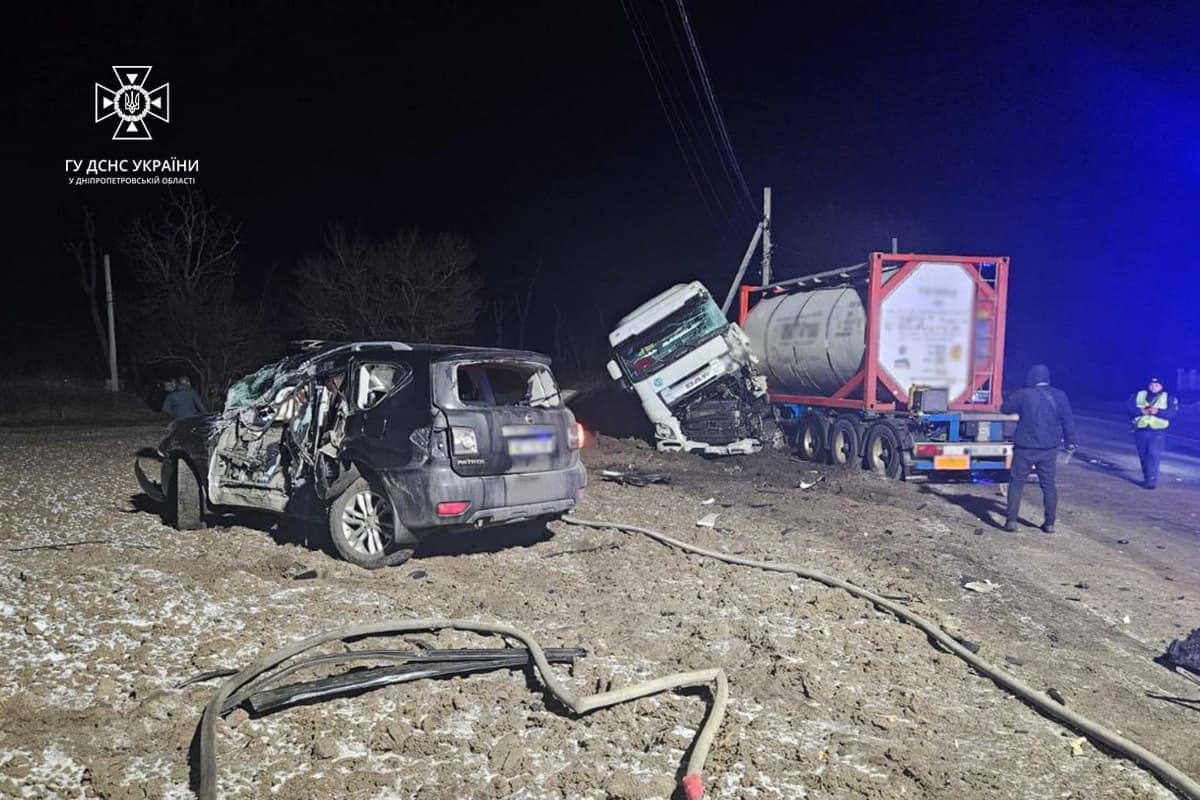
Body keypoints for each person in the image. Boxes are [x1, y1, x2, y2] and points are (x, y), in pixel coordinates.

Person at [1000, 364, 1077, 533]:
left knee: (1016, 483)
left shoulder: (1024, 394)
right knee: (1048, 485)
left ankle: (1011, 521)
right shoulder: (1060, 395)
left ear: (1031, 377)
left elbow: (1005, 408)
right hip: (1048, 448)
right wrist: (1070, 441)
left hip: (1025, 447)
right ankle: (1049, 523)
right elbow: (1067, 420)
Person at [1127, 377, 1177, 489]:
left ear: (1162, 386)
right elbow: (1128, 408)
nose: (1154, 387)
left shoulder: (1168, 397)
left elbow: (1172, 413)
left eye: (1157, 385)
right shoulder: (1139, 395)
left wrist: (1158, 412)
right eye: (1152, 384)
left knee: (1153, 454)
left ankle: (1151, 481)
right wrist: (1141, 411)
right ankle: (1147, 477)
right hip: (1140, 430)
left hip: (1157, 431)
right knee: (1144, 455)